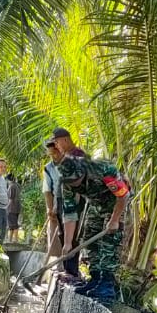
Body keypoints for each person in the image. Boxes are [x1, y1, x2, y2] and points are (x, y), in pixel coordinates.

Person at [52, 127, 128, 301]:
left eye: (77, 181)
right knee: (89, 237)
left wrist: (115, 220)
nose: (76, 185)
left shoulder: (102, 170)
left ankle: (107, 284)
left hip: (116, 203)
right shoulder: (67, 183)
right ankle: (95, 279)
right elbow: (70, 213)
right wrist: (68, 243)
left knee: (109, 241)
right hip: (95, 204)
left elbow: (123, 195)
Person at [42, 139, 82, 280]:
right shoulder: (48, 168)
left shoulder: (72, 163)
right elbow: (48, 190)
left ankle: (72, 270)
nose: (55, 156)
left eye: (56, 153)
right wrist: (50, 207)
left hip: (74, 200)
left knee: (72, 235)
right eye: (51, 154)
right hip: (59, 201)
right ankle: (65, 267)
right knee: (61, 234)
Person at [6, 172, 23, 242]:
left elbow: (10, 196)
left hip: (11, 207)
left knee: (14, 225)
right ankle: (10, 240)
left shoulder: (11, 186)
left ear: (9, 179)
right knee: (12, 225)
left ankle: (15, 240)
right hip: (17, 206)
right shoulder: (18, 185)